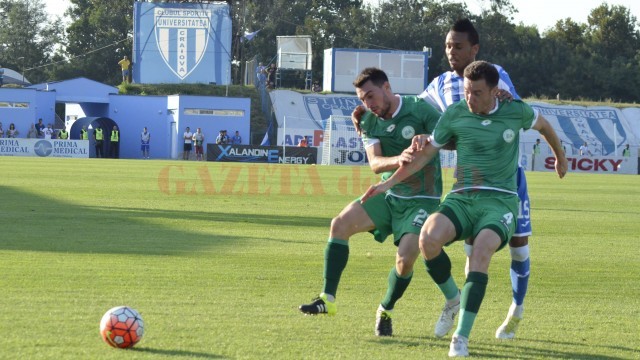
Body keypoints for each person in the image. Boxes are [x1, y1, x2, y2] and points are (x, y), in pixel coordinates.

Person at [362, 61, 568, 357]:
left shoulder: (514, 111)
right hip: (462, 197)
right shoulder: (455, 114)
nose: (470, 98)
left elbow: (544, 125)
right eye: (467, 91)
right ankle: (453, 299)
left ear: (495, 92)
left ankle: (460, 337)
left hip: (499, 201)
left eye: (478, 93)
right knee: (427, 238)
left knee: (482, 250)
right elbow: (422, 157)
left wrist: (559, 157)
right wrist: (386, 184)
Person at [298, 67, 443, 338]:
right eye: (362, 100)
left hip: (422, 199)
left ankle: (385, 309)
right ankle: (327, 299)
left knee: (405, 261)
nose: (368, 104)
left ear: (387, 87)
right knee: (339, 224)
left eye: (371, 96)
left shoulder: (420, 110)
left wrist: (430, 138)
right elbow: (375, 164)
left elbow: (452, 137)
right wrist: (399, 158)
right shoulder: (367, 120)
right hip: (387, 194)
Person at [416, 19, 535, 341]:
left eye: (457, 46)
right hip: (469, 184)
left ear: (474, 49)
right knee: (473, 253)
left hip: (507, 179)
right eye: (447, 46)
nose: (451, 52)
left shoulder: (496, 73)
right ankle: (460, 311)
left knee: (519, 245)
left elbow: (514, 107)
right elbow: (415, 111)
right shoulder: (438, 84)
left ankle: (516, 308)